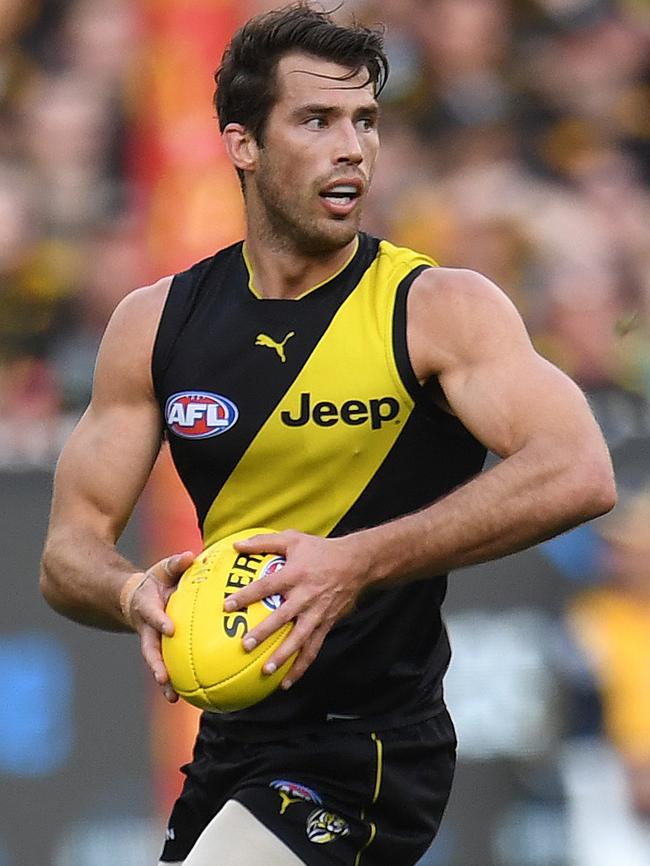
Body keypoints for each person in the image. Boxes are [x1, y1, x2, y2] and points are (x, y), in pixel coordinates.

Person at [40, 4, 617, 865]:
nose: (354, 147)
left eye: (366, 121)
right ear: (243, 145)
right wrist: (133, 596)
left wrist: (356, 562)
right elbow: (65, 554)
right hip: (230, 743)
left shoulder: (437, 308)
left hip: (370, 747)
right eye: (317, 120)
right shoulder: (155, 325)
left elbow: (580, 469)